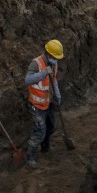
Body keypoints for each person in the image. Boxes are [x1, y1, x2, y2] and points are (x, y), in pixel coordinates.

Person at [24, 39, 64, 168]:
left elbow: (54, 80)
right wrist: (43, 73)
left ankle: (45, 147)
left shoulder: (54, 64)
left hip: (48, 103)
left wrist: (57, 95)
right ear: (48, 53)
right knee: (39, 131)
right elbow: (27, 80)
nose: (55, 59)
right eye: (54, 57)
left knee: (51, 127)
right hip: (36, 105)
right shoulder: (36, 64)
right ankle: (30, 156)